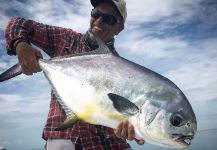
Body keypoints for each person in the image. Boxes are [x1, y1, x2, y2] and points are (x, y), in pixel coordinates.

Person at [5, 0, 145, 149]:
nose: (98, 21)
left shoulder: (125, 71)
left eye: (108, 19)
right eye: (95, 14)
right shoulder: (66, 39)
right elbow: (17, 23)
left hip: (106, 143)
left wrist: (137, 129)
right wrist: (20, 45)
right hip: (63, 139)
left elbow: (126, 114)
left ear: (120, 28)